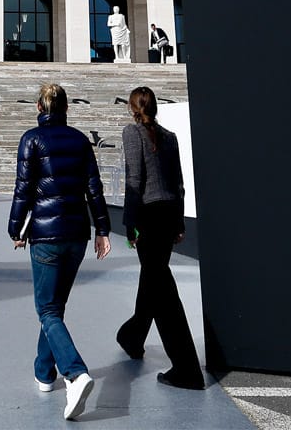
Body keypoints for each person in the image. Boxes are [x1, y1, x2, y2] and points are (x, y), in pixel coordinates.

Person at [8, 83, 112, 421]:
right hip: (77, 235)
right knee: (55, 306)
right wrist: (103, 230)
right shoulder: (81, 140)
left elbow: (23, 190)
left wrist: (15, 229)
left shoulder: (31, 140)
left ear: (40, 107)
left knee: (48, 309)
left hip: (46, 235)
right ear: (65, 108)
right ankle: (44, 372)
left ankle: (75, 373)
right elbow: (94, 187)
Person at [116, 86, 205, 390]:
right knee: (153, 279)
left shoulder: (132, 132)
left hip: (149, 216)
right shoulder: (170, 137)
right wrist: (179, 221)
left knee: (163, 289)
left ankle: (186, 368)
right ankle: (132, 336)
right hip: (167, 215)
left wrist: (129, 224)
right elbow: (178, 183)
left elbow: (134, 180)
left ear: (133, 108)